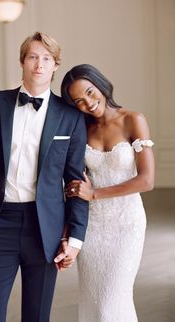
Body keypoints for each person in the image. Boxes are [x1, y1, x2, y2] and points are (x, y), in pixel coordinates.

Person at [0, 32, 89, 322]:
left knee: (37, 316)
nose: (39, 64)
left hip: (46, 229)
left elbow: (75, 181)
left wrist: (76, 237)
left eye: (46, 58)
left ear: (55, 65)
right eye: (33, 56)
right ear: (22, 61)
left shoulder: (70, 117)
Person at [61, 64, 155, 322]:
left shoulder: (133, 120)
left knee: (112, 303)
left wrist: (95, 194)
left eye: (90, 92)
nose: (88, 103)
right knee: (92, 302)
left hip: (126, 224)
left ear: (100, 84)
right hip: (91, 229)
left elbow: (146, 181)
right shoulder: (81, 129)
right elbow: (75, 182)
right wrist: (68, 228)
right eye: (79, 101)